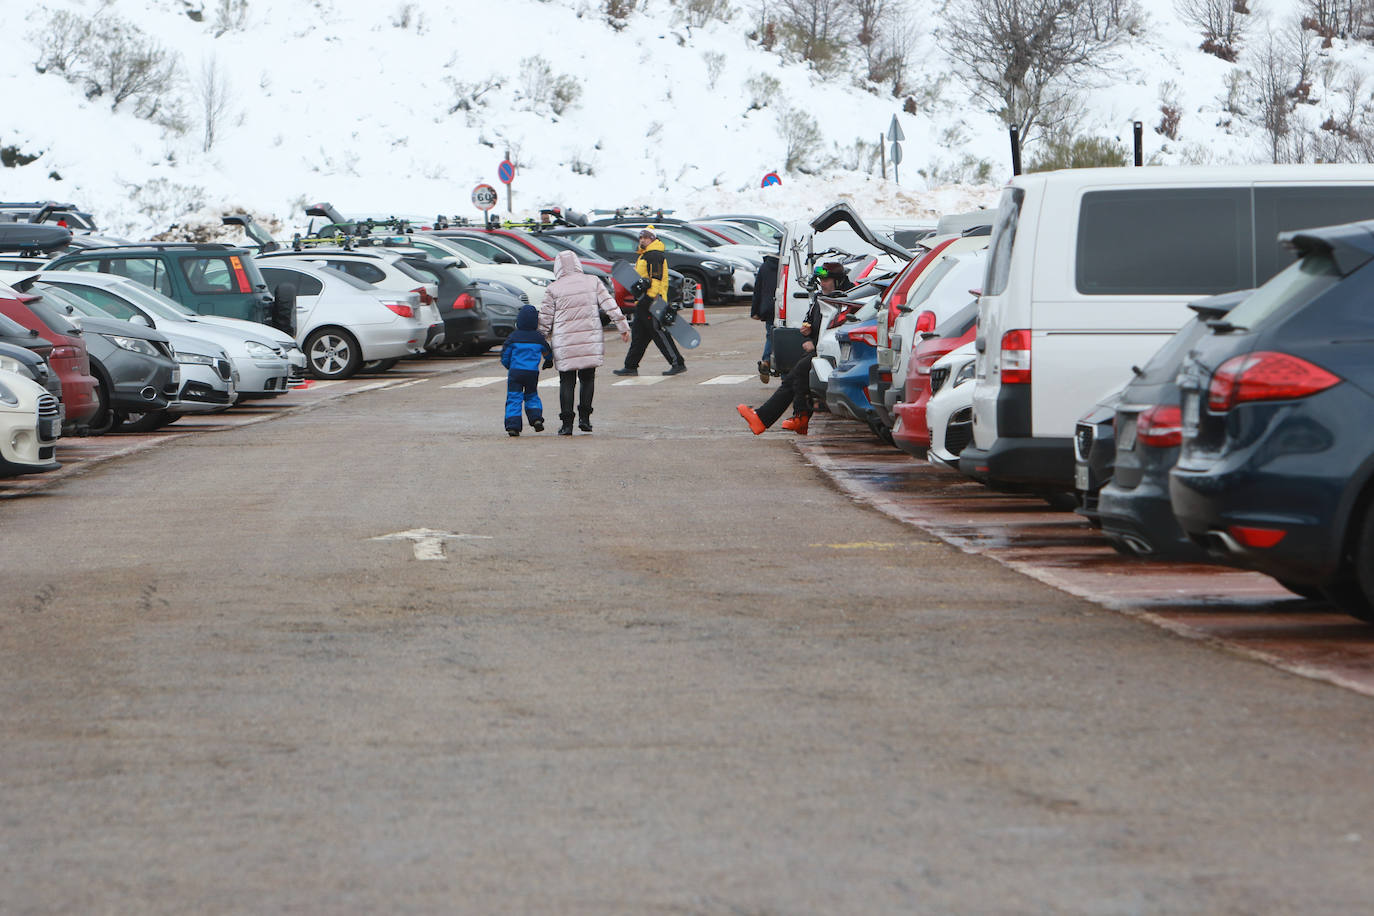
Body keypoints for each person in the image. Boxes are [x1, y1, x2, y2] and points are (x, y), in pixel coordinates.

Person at [737, 260, 852, 437]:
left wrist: (815, 341)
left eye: (827, 280)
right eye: (821, 280)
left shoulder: (847, 299)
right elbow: (815, 323)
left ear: (838, 281)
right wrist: (808, 331)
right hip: (821, 348)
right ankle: (783, 418)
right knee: (793, 377)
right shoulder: (823, 298)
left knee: (798, 372)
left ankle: (790, 417)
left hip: (832, 350)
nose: (823, 284)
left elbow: (841, 328)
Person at [539, 250, 631, 435]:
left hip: (565, 342)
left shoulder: (554, 288)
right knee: (587, 379)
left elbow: (545, 318)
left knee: (567, 381)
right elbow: (609, 304)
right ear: (578, 264)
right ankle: (585, 419)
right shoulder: (593, 281)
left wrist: (539, 341)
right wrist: (623, 326)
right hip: (589, 339)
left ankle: (566, 425)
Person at [613, 226, 686, 377]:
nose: (642, 240)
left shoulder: (654, 255)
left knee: (659, 333)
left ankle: (677, 363)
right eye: (640, 237)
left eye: (645, 237)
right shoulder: (645, 255)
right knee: (639, 335)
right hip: (643, 301)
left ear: (652, 239)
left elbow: (656, 278)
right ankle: (630, 366)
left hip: (653, 301)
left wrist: (649, 297)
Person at [500, 304, 554, 436]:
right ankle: (536, 418)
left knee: (514, 398)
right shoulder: (538, 337)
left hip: (516, 372)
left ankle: (513, 426)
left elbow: (505, 354)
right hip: (532, 373)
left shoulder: (513, 337)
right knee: (531, 395)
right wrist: (548, 361)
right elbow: (547, 352)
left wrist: (508, 365)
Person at [751, 247, 780, 384]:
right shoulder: (786, 265)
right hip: (782, 304)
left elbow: (757, 290)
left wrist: (754, 311)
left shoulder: (764, 267)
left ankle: (766, 361)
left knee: (770, 335)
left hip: (768, 307)